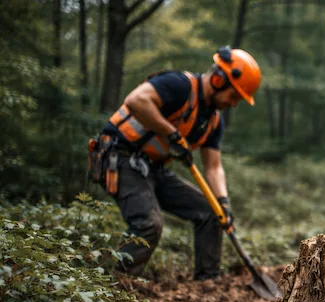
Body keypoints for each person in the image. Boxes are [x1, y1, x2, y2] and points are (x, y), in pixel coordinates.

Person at [90, 46, 261, 280]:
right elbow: (136, 100)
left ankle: (208, 285)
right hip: (119, 156)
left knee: (211, 213)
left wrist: (223, 202)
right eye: (234, 96)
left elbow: (213, 167)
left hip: (152, 167)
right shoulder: (179, 85)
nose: (233, 103)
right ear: (219, 80)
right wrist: (171, 134)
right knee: (149, 224)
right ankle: (116, 285)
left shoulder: (213, 122)